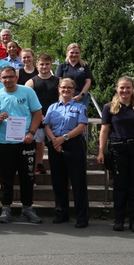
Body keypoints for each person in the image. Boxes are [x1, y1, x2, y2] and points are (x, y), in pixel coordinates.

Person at [97, 76, 134, 233]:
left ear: (132, 89)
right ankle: (118, 220)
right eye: (122, 87)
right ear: (117, 89)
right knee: (120, 186)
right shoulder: (109, 107)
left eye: (128, 87)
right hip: (117, 151)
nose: (125, 90)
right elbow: (104, 131)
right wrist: (101, 151)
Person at [0, 67, 43, 224]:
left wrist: (31, 133)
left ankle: (27, 208)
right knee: (6, 177)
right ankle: (6, 208)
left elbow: (37, 113)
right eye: (4, 77)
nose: (8, 80)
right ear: (0, 79)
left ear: (16, 77)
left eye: (11, 77)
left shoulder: (27, 92)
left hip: (25, 141)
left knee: (27, 176)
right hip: (4, 143)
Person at [43, 78, 89, 228]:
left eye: (69, 88)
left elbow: (81, 127)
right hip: (55, 144)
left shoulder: (80, 107)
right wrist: (54, 141)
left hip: (73, 144)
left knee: (78, 181)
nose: (66, 90)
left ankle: (81, 217)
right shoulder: (52, 107)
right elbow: (47, 125)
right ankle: (61, 213)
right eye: (63, 87)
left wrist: (63, 138)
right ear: (59, 89)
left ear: (73, 90)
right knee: (58, 180)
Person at [25, 54, 60, 176]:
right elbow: (26, 103)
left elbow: (62, 100)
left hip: (54, 119)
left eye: (47, 64)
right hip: (37, 118)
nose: (44, 66)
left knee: (55, 145)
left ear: (51, 65)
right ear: (37, 65)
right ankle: (37, 168)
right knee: (38, 144)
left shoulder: (58, 81)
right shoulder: (30, 82)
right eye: (42, 64)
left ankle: (58, 173)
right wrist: (38, 116)